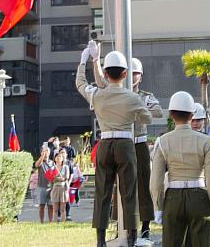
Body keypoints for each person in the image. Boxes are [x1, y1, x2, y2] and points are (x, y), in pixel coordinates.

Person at [77, 45, 152, 247]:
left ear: (106, 73)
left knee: (103, 192)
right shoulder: (133, 97)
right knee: (129, 192)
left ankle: (101, 239)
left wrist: (84, 60)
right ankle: (132, 237)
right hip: (126, 145)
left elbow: (80, 83)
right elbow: (148, 118)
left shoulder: (97, 95)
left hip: (105, 143)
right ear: (125, 73)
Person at [90, 42, 163, 239]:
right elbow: (99, 81)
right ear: (124, 74)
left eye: (137, 74)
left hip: (138, 142)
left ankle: (144, 226)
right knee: (116, 189)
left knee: (142, 185)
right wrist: (96, 62)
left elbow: (157, 112)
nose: (133, 77)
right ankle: (119, 225)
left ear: (141, 76)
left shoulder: (145, 96)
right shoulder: (115, 90)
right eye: (131, 73)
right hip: (122, 142)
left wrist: (145, 106)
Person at [150, 91, 210, 247]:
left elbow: (156, 180)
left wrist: (158, 206)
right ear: (192, 115)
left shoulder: (162, 141)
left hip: (173, 198)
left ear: (171, 114)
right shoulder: (206, 141)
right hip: (199, 197)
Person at [188, 103, 210, 247]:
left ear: (204, 121)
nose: (196, 123)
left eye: (199, 120)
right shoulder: (184, 139)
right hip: (188, 190)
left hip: (206, 190)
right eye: (193, 120)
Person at [34, 145, 56, 223]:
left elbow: (54, 173)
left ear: (49, 153)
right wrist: (42, 156)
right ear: (41, 152)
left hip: (50, 187)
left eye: (47, 151)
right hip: (41, 187)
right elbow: (36, 165)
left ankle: (50, 222)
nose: (46, 152)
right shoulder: (40, 162)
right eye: (44, 151)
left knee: (51, 206)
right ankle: (41, 222)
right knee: (41, 206)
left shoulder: (52, 163)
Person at [59, 137, 77, 220]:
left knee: (67, 199)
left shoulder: (69, 163)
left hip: (67, 183)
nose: (62, 154)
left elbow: (72, 173)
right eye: (61, 153)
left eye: (64, 153)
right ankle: (59, 215)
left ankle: (68, 214)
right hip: (59, 184)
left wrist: (69, 182)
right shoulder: (57, 162)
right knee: (59, 199)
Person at [50, 150, 71, 223]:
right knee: (55, 209)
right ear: (55, 159)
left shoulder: (65, 167)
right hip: (55, 188)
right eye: (57, 157)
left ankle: (63, 223)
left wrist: (58, 178)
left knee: (63, 208)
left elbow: (66, 177)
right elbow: (51, 179)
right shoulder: (53, 168)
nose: (59, 158)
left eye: (60, 157)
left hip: (63, 188)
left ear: (62, 159)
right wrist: (58, 179)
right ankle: (54, 222)